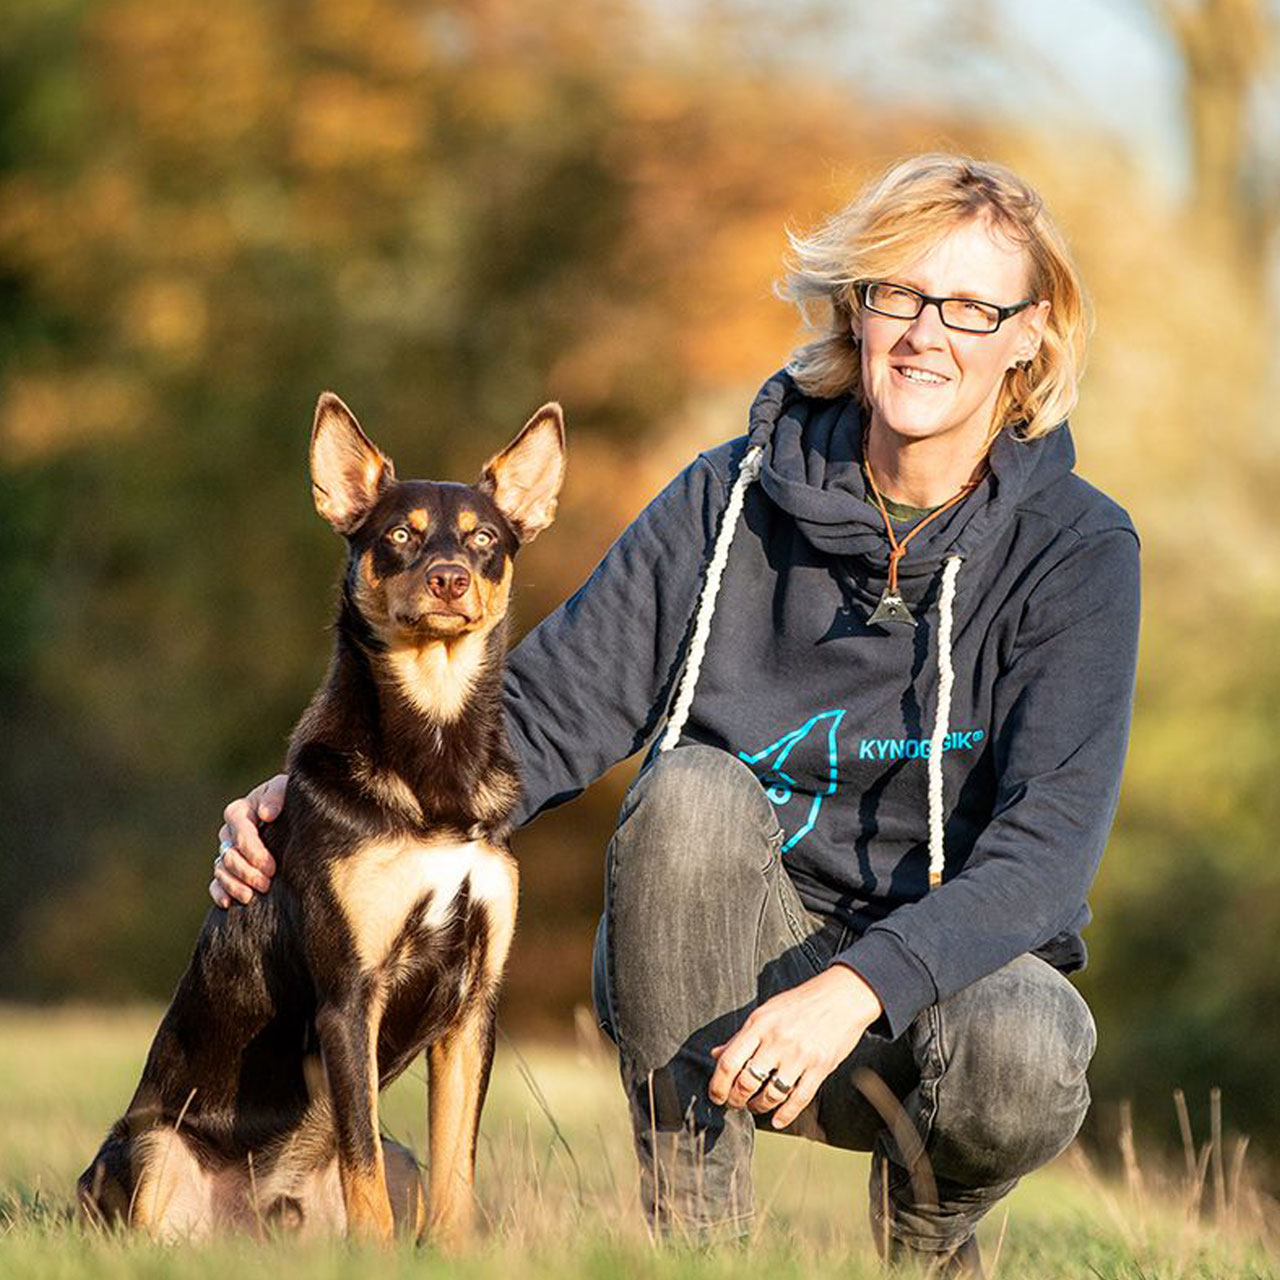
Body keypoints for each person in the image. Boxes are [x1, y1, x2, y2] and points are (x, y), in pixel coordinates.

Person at [214, 154, 1140, 1274]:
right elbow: (546, 712)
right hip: (715, 967)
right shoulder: (728, 495)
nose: (922, 333)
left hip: (928, 993)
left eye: (966, 307)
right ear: (856, 308)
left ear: (1027, 335)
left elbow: (1045, 851)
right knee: (688, 788)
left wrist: (855, 987)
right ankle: (695, 1250)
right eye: (895, 293)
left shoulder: (1076, 550)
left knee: (1028, 1050)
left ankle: (930, 1241)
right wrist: (314, 805)